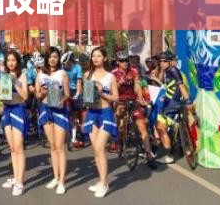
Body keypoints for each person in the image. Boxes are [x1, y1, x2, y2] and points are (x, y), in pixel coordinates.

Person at [82, 47, 118, 199]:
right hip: (92, 114)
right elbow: (87, 98)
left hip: (105, 113)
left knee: (99, 148)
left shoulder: (110, 76)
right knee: (96, 150)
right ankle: (101, 180)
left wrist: (101, 92)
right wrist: (88, 94)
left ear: (104, 58)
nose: (95, 58)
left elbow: (115, 97)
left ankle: (104, 183)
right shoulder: (87, 75)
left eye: (98, 56)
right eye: (93, 56)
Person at [112, 51, 156, 168]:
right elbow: (113, 90)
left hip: (132, 100)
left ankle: (149, 155)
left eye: (126, 60)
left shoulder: (133, 71)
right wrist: (119, 83)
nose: (125, 63)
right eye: (122, 61)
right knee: (120, 116)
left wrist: (140, 98)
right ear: (118, 62)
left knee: (142, 127)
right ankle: (119, 140)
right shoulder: (114, 73)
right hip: (120, 100)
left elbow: (137, 86)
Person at [35, 47, 70, 195]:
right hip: (45, 109)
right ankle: (55, 177)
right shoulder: (40, 74)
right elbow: (37, 94)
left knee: (60, 146)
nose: (52, 59)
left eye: (55, 56)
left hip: (59, 110)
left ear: (58, 58)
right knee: (53, 146)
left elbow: (67, 94)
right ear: (46, 58)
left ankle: (62, 181)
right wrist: (41, 93)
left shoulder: (62, 74)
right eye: (50, 57)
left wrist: (62, 100)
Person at [0, 49, 29, 196]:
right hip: (7, 111)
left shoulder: (23, 75)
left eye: (13, 60)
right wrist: (0, 102)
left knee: (19, 147)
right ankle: (16, 178)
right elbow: (2, 96)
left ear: (18, 62)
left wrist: (14, 82)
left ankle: (20, 183)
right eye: (8, 60)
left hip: (18, 110)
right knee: (12, 148)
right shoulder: (4, 75)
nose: (11, 63)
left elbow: (25, 96)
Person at [155, 51, 191, 164]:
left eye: (164, 61)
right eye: (160, 61)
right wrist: (161, 69)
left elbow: (181, 86)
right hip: (168, 101)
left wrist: (188, 101)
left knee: (160, 127)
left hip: (173, 103)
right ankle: (173, 142)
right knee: (159, 126)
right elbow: (160, 80)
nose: (162, 63)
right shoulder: (167, 70)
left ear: (170, 62)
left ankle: (169, 155)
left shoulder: (174, 71)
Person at [61, 51, 83, 146]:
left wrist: (78, 93)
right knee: (64, 112)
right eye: (63, 64)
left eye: (66, 63)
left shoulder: (77, 68)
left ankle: (75, 136)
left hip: (74, 90)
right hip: (64, 90)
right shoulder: (62, 68)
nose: (65, 65)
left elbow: (79, 82)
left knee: (75, 114)